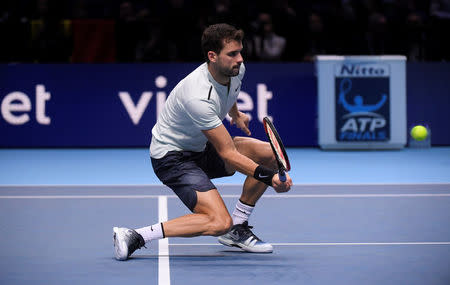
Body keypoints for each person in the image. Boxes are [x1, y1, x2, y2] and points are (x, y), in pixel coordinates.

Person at [113, 23, 293, 261]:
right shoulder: (197, 95)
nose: (239, 59)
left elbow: (229, 92)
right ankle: (136, 235)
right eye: (232, 54)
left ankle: (237, 230)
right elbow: (228, 154)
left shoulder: (235, 70)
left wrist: (235, 115)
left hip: (200, 148)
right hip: (172, 158)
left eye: (240, 52)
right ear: (212, 56)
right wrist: (269, 178)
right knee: (219, 222)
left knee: (269, 155)